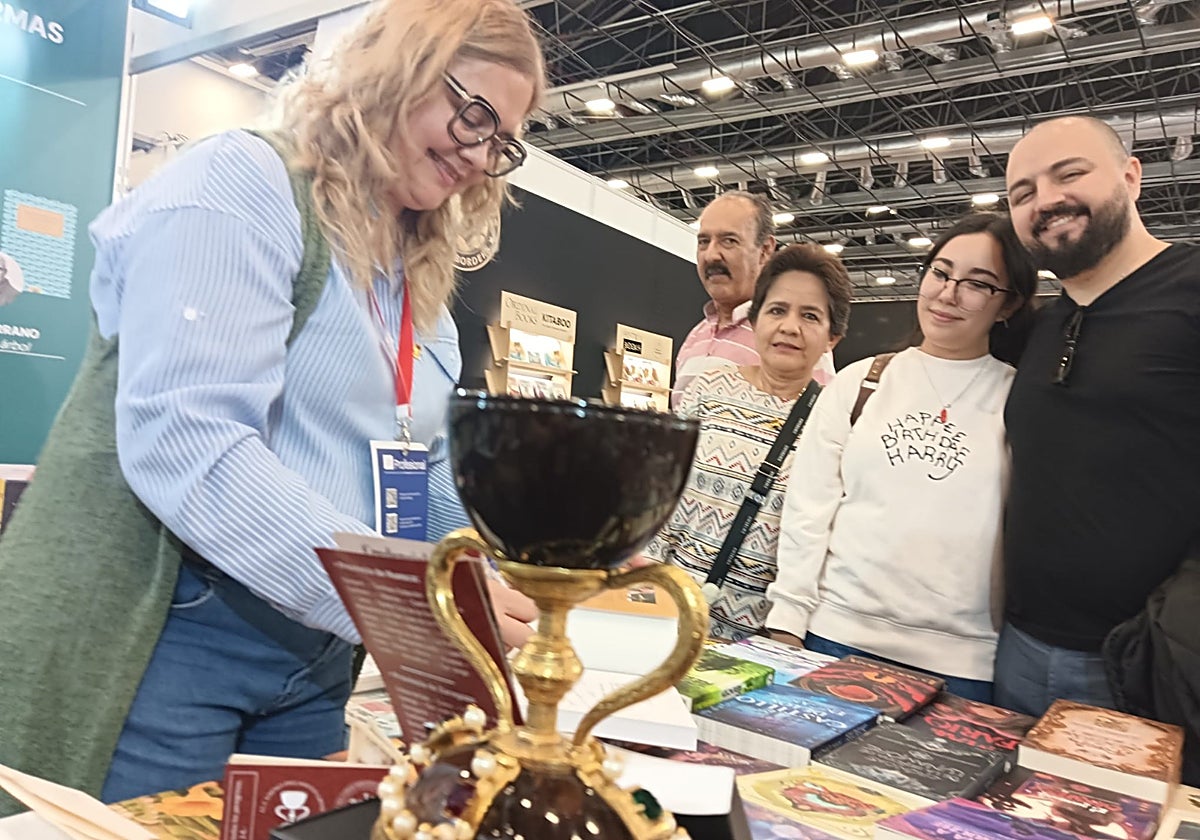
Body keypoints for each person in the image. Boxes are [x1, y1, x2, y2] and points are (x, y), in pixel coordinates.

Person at [0, 0, 544, 813]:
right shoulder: (244, 182)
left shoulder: (413, 275)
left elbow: (418, 465)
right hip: (170, 627)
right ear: (397, 69)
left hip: (318, 652)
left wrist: (515, 562)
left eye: (501, 143)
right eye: (473, 115)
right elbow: (191, 440)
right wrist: (409, 598)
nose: (477, 154)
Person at [765, 214, 1037, 703]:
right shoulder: (861, 382)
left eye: (977, 284)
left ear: (1008, 304)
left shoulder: (1018, 399)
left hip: (961, 664)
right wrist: (787, 622)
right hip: (834, 638)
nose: (949, 294)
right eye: (940, 273)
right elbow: (808, 511)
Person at [996, 115, 1200, 716]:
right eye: (1023, 193)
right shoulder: (1041, 327)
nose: (1045, 201)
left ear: (1131, 176)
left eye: (1069, 174)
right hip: (1017, 650)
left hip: (1146, 667)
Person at [644, 243, 852, 641]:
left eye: (810, 316)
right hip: (668, 610)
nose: (789, 326)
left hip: (756, 637)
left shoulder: (834, 420)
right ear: (755, 320)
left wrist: (787, 633)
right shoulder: (709, 386)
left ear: (833, 337)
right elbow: (661, 494)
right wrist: (643, 588)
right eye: (777, 310)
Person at [673, 191, 835, 407]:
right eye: (704, 241)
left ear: (765, 250)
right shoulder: (696, 336)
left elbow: (819, 418)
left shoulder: (792, 339)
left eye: (729, 241)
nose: (711, 255)